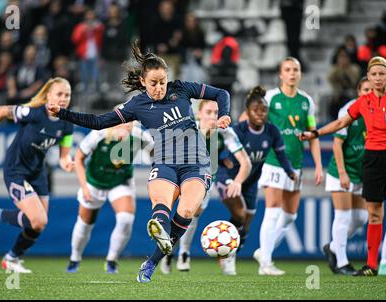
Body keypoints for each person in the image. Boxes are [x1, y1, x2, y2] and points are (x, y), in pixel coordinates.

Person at [48, 40, 231, 283]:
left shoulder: (183, 89)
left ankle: (152, 260)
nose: (159, 88)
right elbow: (99, 122)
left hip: (196, 163)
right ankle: (159, 227)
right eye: (153, 83)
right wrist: (62, 113)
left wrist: (226, 113)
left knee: (186, 210)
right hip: (165, 162)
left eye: (163, 82)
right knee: (162, 202)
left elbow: (221, 93)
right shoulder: (137, 105)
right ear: (143, 82)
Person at [300, 56, 386, 276]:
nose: (377, 79)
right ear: (367, 77)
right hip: (372, 160)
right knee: (374, 214)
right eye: (373, 74)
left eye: (381, 74)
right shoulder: (362, 103)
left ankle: (383, 260)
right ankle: (372, 265)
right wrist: (316, 133)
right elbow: (340, 124)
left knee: (363, 216)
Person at [0, 77, 75, 273]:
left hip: (37, 173)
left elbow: (65, 153)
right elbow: (1, 111)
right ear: (48, 95)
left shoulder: (67, 122)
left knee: (38, 224)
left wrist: (66, 161)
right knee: (39, 220)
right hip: (16, 170)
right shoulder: (33, 113)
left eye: (67, 95)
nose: (63, 98)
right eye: (59, 94)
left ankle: (12, 258)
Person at [249, 57, 323, 276]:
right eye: (288, 70)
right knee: (272, 211)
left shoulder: (306, 101)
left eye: (296, 70)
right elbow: (253, 120)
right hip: (273, 162)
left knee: (290, 215)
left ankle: (264, 251)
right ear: (281, 74)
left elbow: (312, 135)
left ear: (300, 74)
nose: (292, 73)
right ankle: (266, 264)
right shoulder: (270, 98)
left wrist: (319, 165)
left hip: (296, 164)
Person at [160, 99, 251, 275]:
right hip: (181, 175)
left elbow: (245, 162)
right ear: (199, 114)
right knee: (183, 214)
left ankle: (180, 253)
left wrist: (238, 181)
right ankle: (175, 252)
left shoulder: (225, 132)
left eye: (217, 113)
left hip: (206, 180)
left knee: (191, 216)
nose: (213, 117)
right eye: (208, 112)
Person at [216, 86, 296, 276]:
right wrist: (221, 159)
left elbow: (281, 154)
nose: (260, 114)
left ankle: (231, 252)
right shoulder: (238, 131)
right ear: (247, 112)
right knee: (240, 214)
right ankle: (224, 251)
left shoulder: (272, 131)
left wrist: (289, 171)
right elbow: (218, 147)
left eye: (264, 110)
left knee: (246, 223)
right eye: (256, 110)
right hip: (228, 178)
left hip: (251, 182)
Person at [67, 121, 154, 274]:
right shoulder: (98, 134)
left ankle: (112, 260)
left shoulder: (140, 135)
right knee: (85, 223)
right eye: (122, 122)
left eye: (129, 122)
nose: (126, 126)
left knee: (126, 219)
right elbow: (78, 158)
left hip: (120, 181)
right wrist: (85, 187)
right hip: (95, 181)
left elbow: (155, 154)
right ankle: (75, 258)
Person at [323, 77, 372, 275]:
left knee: (361, 217)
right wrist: (342, 173)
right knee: (343, 216)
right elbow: (337, 143)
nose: (369, 92)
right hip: (341, 171)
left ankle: (333, 246)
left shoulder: (381, 111)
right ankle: (341, 262)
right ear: (359, 91)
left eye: (372, 89)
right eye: (365, 89)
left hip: (362, 173)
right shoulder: (348, 110)